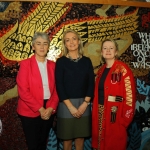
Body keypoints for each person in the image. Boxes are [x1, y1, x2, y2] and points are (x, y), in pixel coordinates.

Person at [16, 32, 59, 150]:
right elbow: (23, 91)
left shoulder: (54, 66)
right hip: (29, 109)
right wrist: (40, 109)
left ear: (48, 46)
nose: (42, 47)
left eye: (45, 44)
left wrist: (50, 108)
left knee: (42, 144)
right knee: (33, 145)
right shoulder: (25, 64)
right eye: (38, 43)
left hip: (48, 109)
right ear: (33, 46)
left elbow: (57, 89)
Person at [92, 39, 136, 150]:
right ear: (101, 52)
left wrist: (125, 121)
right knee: (100, 146)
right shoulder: (100, 71)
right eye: (105, 48)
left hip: (115, 115)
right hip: (100, 113)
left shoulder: (123, 69)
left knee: (114, 144)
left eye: (111, 48)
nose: (108, 50)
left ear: (116, 52)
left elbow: (130, 97)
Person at [55, 29, 95, 150]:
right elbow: (59, 86)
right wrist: (71, 107)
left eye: (74, 38)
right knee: (67, 140)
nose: (71, 42)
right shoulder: (61, 62)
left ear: (78, 41)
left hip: (84, 105)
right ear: (65, 44)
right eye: (67, 40)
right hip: (66, 105)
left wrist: (85, 104)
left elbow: (91, 84)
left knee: (80, 139)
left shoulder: (87, 61)